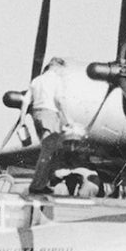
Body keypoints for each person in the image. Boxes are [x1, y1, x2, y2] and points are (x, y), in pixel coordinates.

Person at [26, 58, 70, 194]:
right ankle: (37, 185)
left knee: (48, 150)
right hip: (49, 114)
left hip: (37, 114)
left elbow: (26, 100)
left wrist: (22, 120)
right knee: (48, 153)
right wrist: (67, 119)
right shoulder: (56, 80)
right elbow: (59, 100)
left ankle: (42, 183)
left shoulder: (37, 80)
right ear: (57, 68)